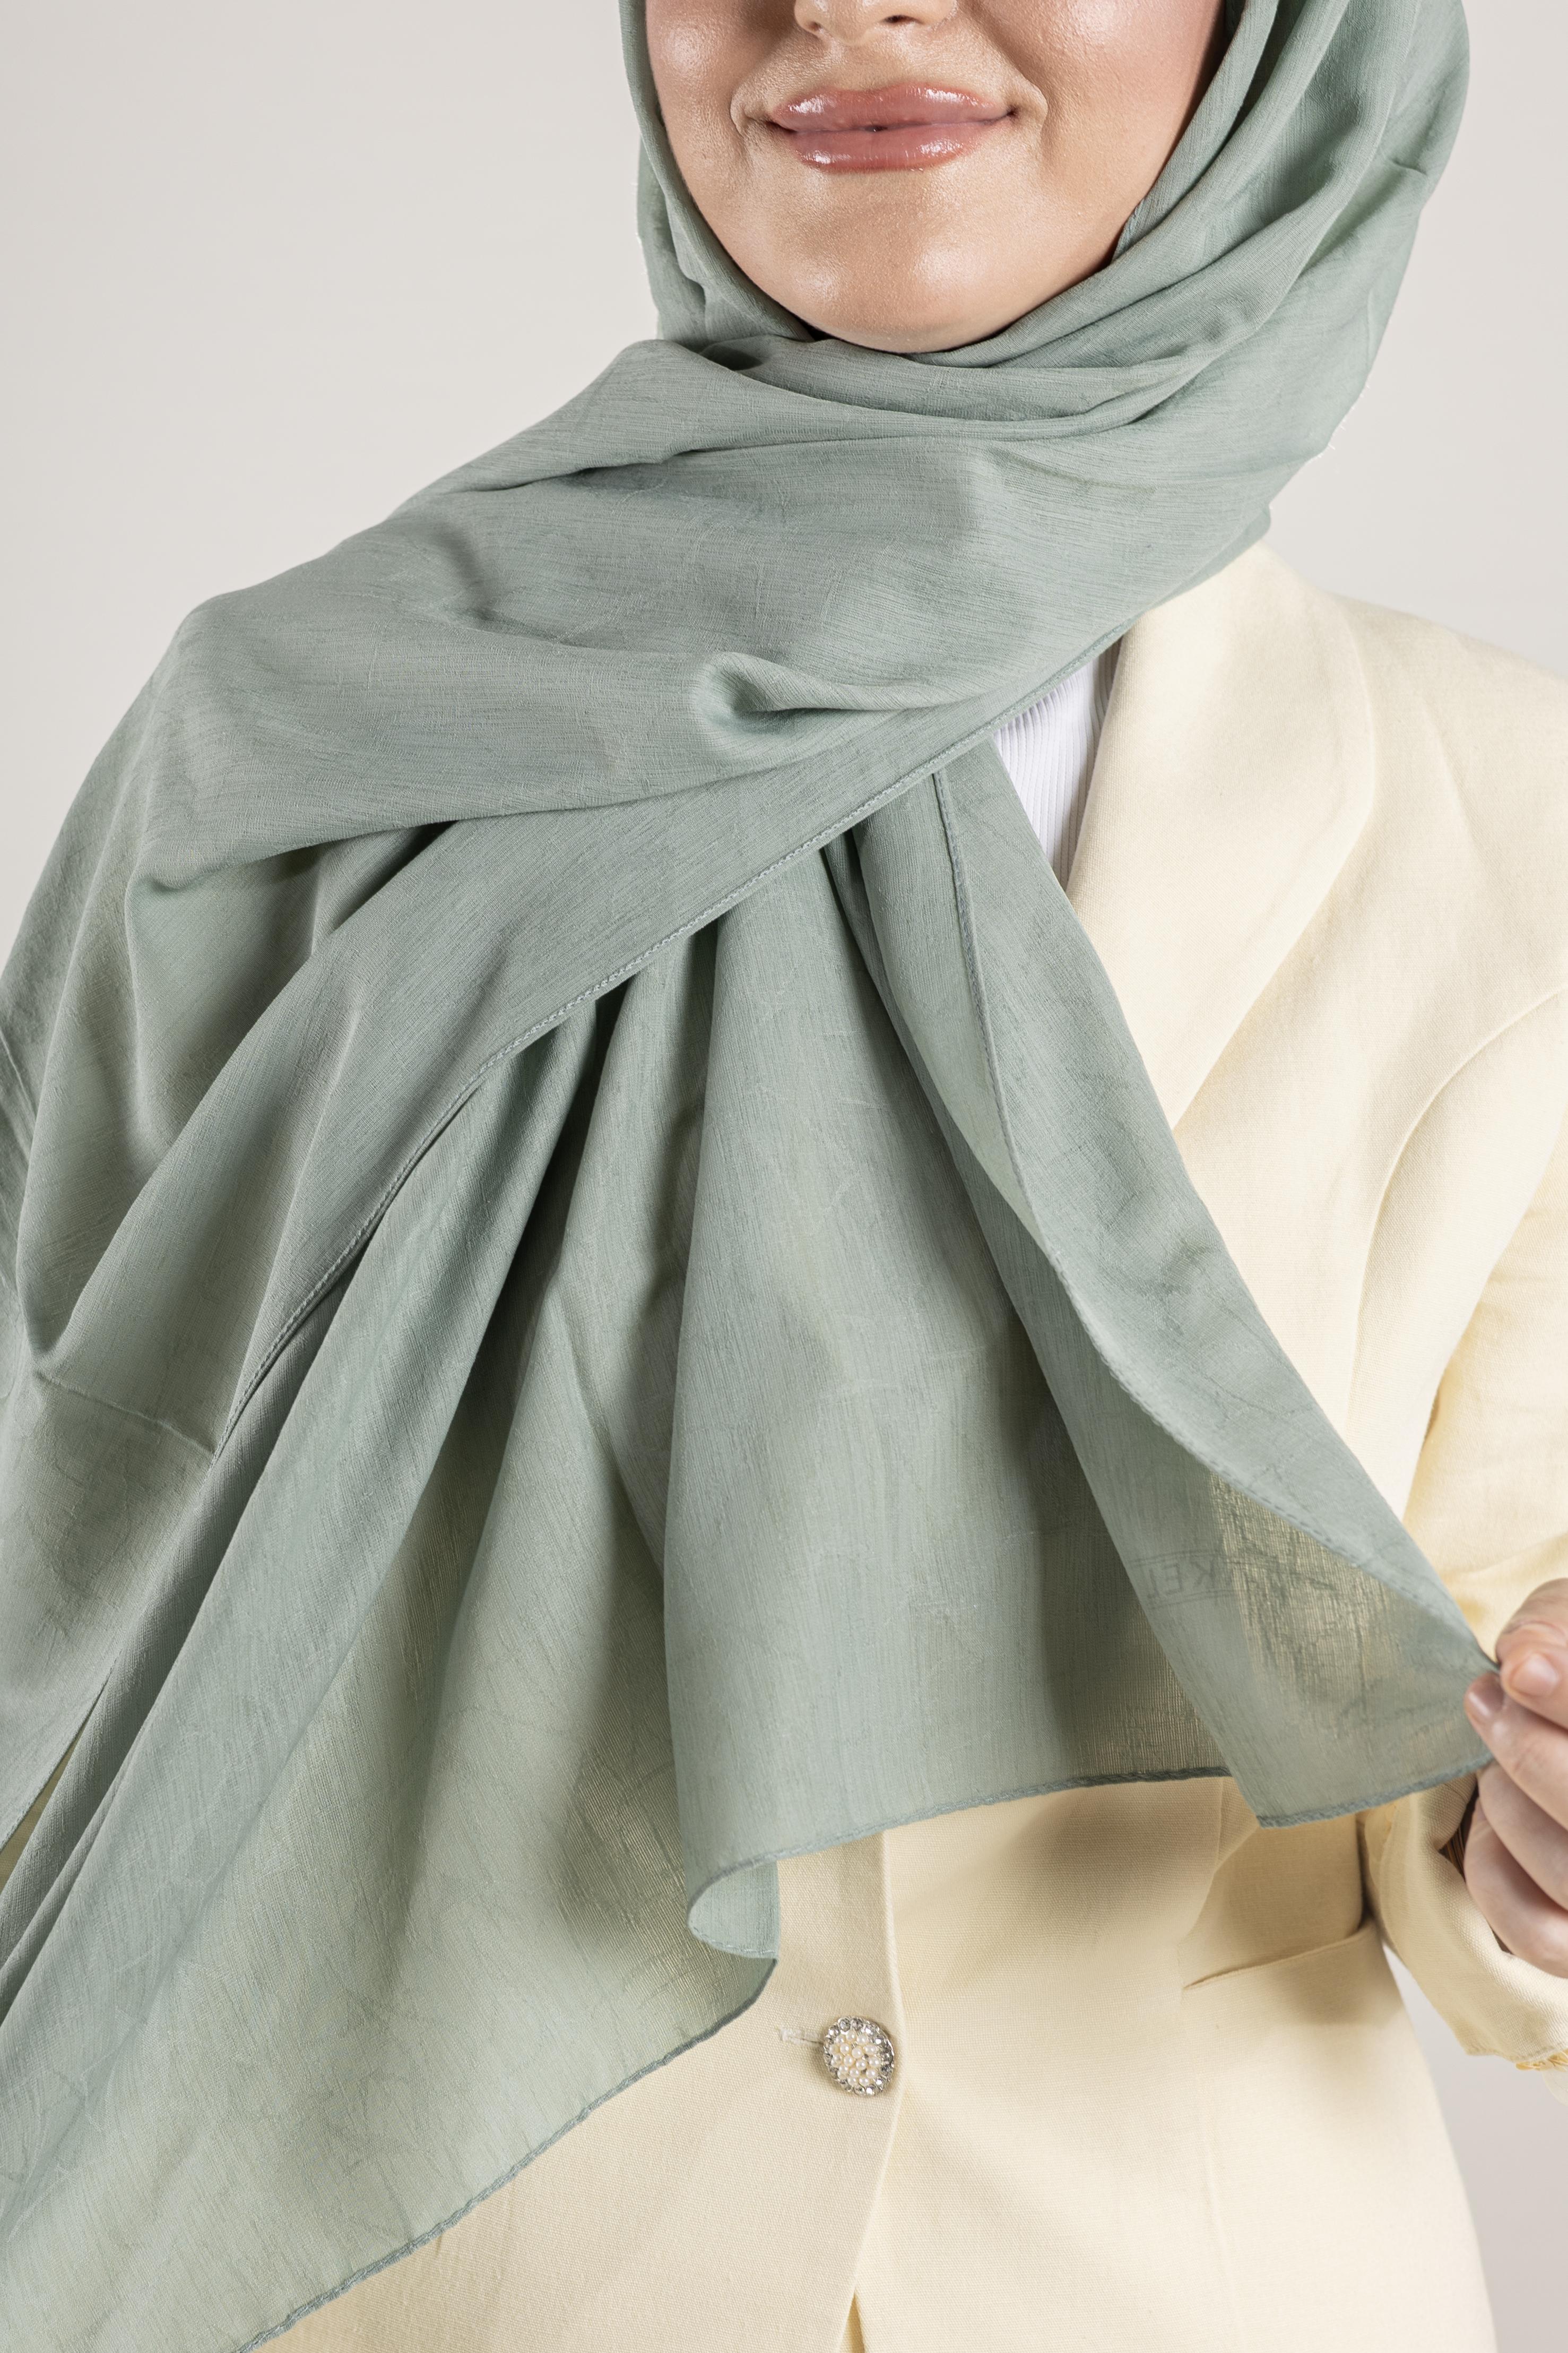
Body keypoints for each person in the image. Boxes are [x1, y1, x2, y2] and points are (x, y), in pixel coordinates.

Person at [2, 1, 1566, 2348]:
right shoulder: (285, 753)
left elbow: (1466, 1694)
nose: (848, 5)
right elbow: (66, 1536)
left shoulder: (1512, 816)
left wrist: (1533, 1850)